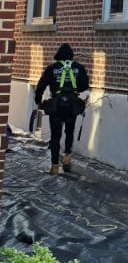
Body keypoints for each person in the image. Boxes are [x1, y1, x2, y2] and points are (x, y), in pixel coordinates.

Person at [35, 44, 89, 177]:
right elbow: (84, 86)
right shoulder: (79, 68)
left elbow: (41, 86)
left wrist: (38, 101)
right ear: (71, 56)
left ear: (58, 56)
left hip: (56, 106)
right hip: (72, 106)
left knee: (55, 136)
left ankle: (54, 166)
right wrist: (73, 88)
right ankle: (67, 158)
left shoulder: (52, 68)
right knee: (69, 132)